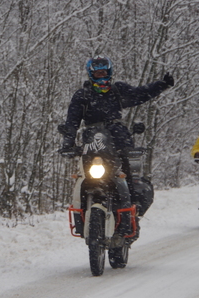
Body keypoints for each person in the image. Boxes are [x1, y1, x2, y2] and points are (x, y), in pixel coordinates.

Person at [58, 56, 174, 211]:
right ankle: (82, 208)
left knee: (127, 170)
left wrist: (161, 85)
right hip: (92, 141)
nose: (101, 75)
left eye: (104, 72)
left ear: (109, 72)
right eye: (98, 73)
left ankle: (131, 207)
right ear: (91, 74)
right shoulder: (82, 96)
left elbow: (140, 94)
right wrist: (68, 143)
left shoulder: (117, 90)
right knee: (82, 175)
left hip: (118, 139)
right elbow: (72, 121)